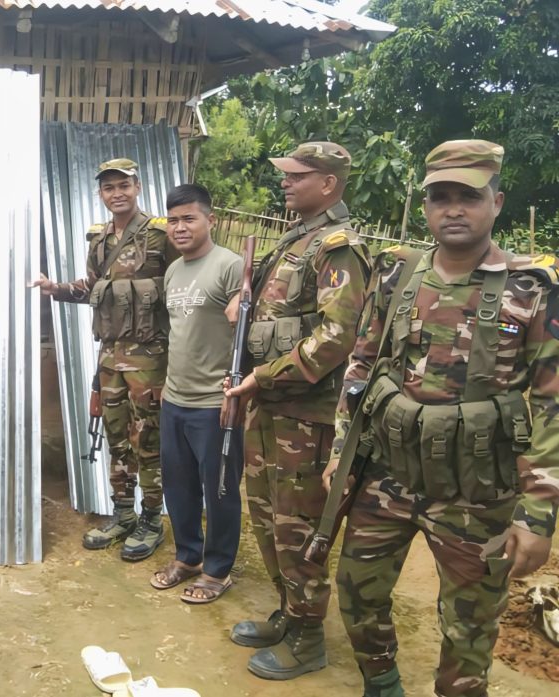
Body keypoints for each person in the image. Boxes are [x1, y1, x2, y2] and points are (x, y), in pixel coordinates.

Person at [326, 140, 559, 697]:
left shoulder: (531, 290)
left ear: (496, 202)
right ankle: (381, 683)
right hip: (387, 476)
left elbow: (551, 402)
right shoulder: (397, 275)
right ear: (426, 205)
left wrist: (538, 513)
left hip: (476, 491)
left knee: (470, 623)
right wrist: (341, 450)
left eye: (468, 197)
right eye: (440, 197)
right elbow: (362, 364)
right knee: (357, 591)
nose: (453, 209)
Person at [223, 141, 371, 679]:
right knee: (266, 517)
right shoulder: (296, 240)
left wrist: (264, 375)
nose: (285, 182)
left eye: (296, 175)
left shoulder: (338, 247)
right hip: (271, 406)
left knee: (298, 526)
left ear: (329, 182)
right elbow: (276, 312)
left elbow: (338, 336)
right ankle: (290, 613)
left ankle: (309, 638)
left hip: (304, 417)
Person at [34, 158, 177, 561]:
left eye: (124, 186)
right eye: (109, 188)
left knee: (148, 439)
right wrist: (55, 288)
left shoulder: (160, 234)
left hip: (151, 358)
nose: (117, 193)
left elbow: (181, 287)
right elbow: (94, 289)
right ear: (101, 194)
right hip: (110, 356)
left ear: (138, 186)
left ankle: (152, 519)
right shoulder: (99, 239)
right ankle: (124, 514)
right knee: (117, 437)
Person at [150, 184, 244, 603]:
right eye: (173, 220)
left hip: (214, 401)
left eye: (189, 218)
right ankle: (187, 555)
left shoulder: (230, 266)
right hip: (175, 398)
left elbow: (248, 320)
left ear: (211, 220)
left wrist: (243, 296)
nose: (180, 227)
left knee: (219, 488)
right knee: (178, 485)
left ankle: (218, 569)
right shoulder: (174, 271)